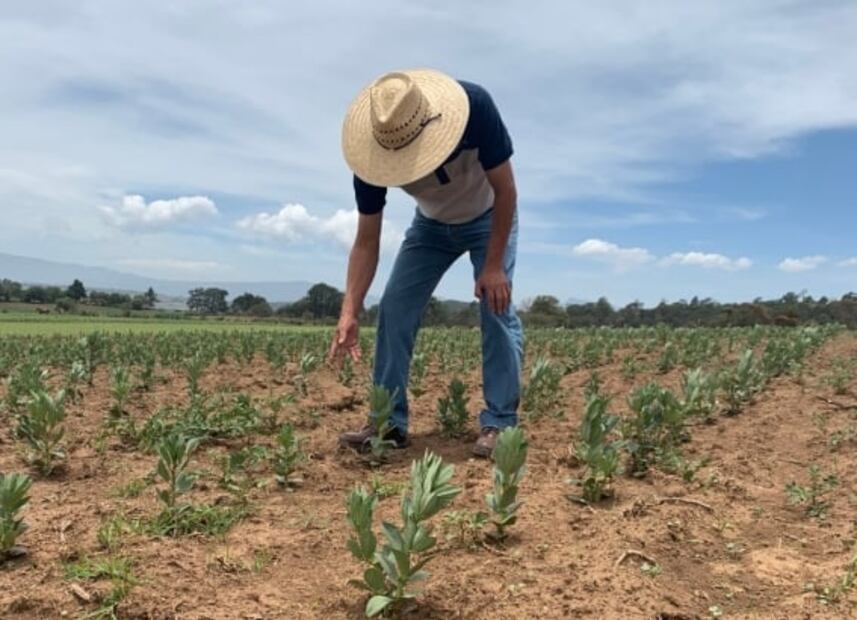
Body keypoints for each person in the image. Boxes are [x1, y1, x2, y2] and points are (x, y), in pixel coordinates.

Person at [330, 68, 523, 458]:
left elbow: (506, 191)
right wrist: (349, 310)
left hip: (489, 217)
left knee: (496, 306)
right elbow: (366, 241)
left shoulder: (475, 107)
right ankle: (388, 424)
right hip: (430, 227)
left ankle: (500, 422)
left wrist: (493, 267)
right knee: (394, 308)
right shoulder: (370, 157)